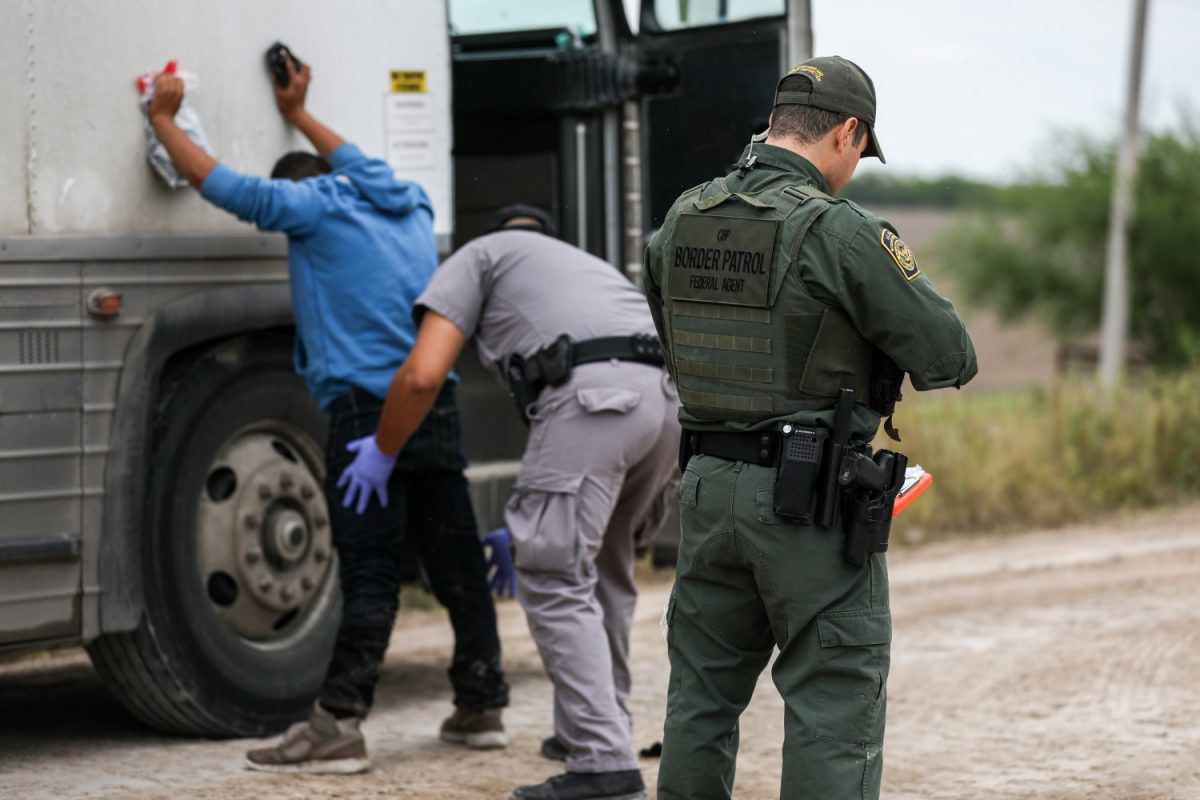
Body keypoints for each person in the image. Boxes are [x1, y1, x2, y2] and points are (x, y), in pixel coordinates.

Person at [146, 53, 508, 774]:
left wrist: (162, 118)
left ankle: (339, 721)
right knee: (454, 554)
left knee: (369, 566)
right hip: (432, 403)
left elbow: (217, 183)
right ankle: (481, 703)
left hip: (368, 414)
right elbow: (353, 160)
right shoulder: (403, 200)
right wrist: (300, 111)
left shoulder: (309, 209)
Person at [642, 56, 979, 799]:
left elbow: (672, 339)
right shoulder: (839, 231)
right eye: (860, 152)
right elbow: (950, 355)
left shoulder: (683, 215)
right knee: (833, 698)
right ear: (847, 133)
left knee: (700, 699)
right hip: (808, 502)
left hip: (704, 488)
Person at [337, 205, 681, 800]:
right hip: (666, 405)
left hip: (594, 400)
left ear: (496, 235)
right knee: (604, 568)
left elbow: (422, 375)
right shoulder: (585, 266)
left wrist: (383, 449)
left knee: (551, 576)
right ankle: (596, 731)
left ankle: (602, 764)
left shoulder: (480, 255)